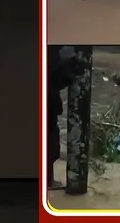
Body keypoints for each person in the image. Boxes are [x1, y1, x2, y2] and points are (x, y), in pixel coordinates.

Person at [48, 46, 86, 190]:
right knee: (50, 142)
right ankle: (48, 181)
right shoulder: (54, 55)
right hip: (48, 106)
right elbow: (59, 79)